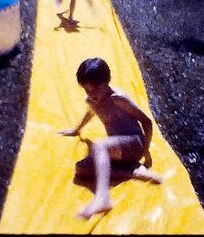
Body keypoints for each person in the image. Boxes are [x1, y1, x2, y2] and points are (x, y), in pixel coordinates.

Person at [59, 57, 162, 219]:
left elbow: (146, 122)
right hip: (117, 150)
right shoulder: (92, 101)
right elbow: (90, 113)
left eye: (95, 89)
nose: (91, 95)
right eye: (87, 90)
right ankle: (132, 171)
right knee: (81, 169)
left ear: (106, 83)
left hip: (134, 143)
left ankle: (102, 198)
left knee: (99, 146)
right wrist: (75, 130)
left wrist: (145, 150)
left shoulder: (118, 98)